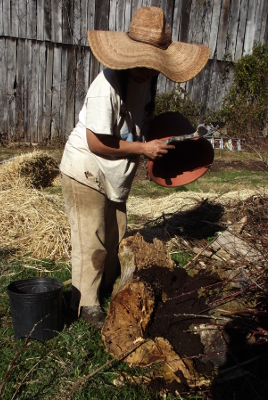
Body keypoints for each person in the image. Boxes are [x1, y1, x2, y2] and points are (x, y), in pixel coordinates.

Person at [60, 6, 210, 328]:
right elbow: (96, 142)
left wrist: (174, 143)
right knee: (93, 238)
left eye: (153, 64)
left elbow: (141, 125)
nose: (146, 69)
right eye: (142, 62)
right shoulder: (107, 85)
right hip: (85, 167)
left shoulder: (148, 84)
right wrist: (143, 148)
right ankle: (86, 307)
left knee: (117, 235)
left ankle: (106, 289)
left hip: (113, 173)